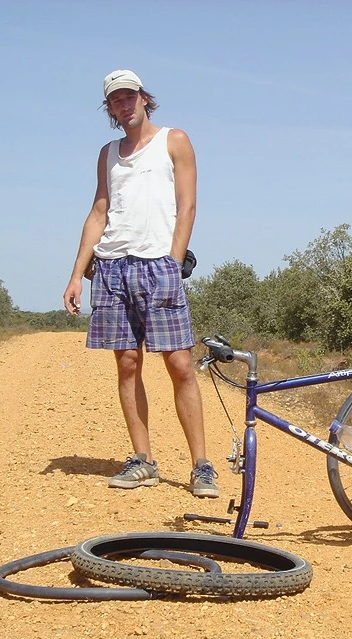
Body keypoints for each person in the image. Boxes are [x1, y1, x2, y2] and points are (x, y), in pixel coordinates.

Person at [63, 69, 218, 498]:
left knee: (180, 363)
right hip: (112, 267)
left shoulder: (175, 140)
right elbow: (99, 212)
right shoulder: (108, 153)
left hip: (158, 266)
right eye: (116, 100)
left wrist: (172, 261)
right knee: (128, 362)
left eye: (130, 96)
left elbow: (187, 207)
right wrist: (77, 273)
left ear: (144, 98)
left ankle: (201, 466)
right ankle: (143, 459)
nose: (124, 104)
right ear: (110, 108)